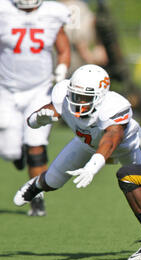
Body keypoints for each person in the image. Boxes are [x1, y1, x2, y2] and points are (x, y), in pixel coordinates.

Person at [13, 64, 141, 214]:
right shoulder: (63, 96)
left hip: (124, 147)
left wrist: (93, 166)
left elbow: (110, 140)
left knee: (140, 182)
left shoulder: (113, 106)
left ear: (100, 97)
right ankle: (35, 186)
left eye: (85, 98)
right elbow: (36, 119)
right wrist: (37, 119)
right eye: (75, 96)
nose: (79, 102)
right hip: (86, 145)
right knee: (53, 180)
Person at [0, 0, 71, 216]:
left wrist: (61, 70)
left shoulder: (53, 13)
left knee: (36, 144)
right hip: (5, 89)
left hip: (39, 90)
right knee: (9, 150)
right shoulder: (3, 10)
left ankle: (36, 197)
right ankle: (18, 151)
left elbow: (63, 49)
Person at [59, 0, 108, 76]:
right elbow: (79, 40)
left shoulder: (56, 7)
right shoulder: (76, 7)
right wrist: (91, 62)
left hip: (64, 59)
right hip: (74, 60)